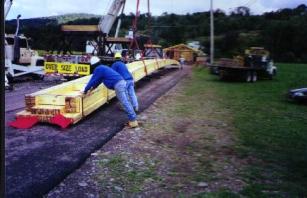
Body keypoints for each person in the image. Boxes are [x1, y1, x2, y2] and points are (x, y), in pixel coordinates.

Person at [82, 56, 138, 128]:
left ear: (93, 65)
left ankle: (133, 121)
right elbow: (98, 81)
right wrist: (93, 88)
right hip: (122, 82)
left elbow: (92, 80)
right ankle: (133, 119)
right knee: (126, 101)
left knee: (125, 103)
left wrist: (85, 90)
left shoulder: (98, 69)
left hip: (118, 85)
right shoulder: (103, 67)